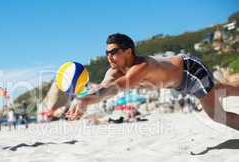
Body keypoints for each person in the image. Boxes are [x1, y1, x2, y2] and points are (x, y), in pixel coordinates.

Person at [66, 33, 239, 130]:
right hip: (180, 83)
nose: (109, 57)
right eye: (107, 53)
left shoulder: (142, 66)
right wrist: (82, 98)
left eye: (114, 52)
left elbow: (117, 87)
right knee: (222, 90)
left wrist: (85, 100)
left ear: (128, 52)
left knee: (216, 114)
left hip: (190, 71)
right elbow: (105, 86)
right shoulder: (114, 70)